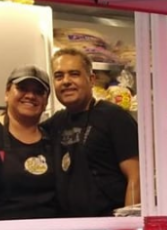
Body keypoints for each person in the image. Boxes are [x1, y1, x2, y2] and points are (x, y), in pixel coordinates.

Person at [47, 47, 140, 217]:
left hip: (108, 228)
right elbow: (22, 130)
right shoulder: (55, 122)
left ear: (91, 80)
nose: (66, 81)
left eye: (74, 74)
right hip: (70, 229)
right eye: (59, 76)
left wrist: (129, 227)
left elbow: (136, 176)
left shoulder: (114, 116)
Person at [0, 65, 58, 220]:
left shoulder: (53, 140)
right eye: (22, 88)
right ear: (7, 92)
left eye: (39, 92)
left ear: (46, 101)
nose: (30, 95)